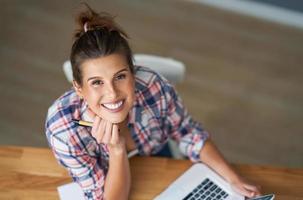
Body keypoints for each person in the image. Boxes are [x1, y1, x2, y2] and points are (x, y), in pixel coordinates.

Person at [45, 5, 261, 200]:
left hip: (158, 157)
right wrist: (117, 148)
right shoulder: (63, 130)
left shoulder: (152, 86)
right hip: (108, 177)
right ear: (78, 88)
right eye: (96, 82)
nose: (112, 94)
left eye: (120, 77)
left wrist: (233, 178)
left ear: (133, 72)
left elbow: (188, 132)